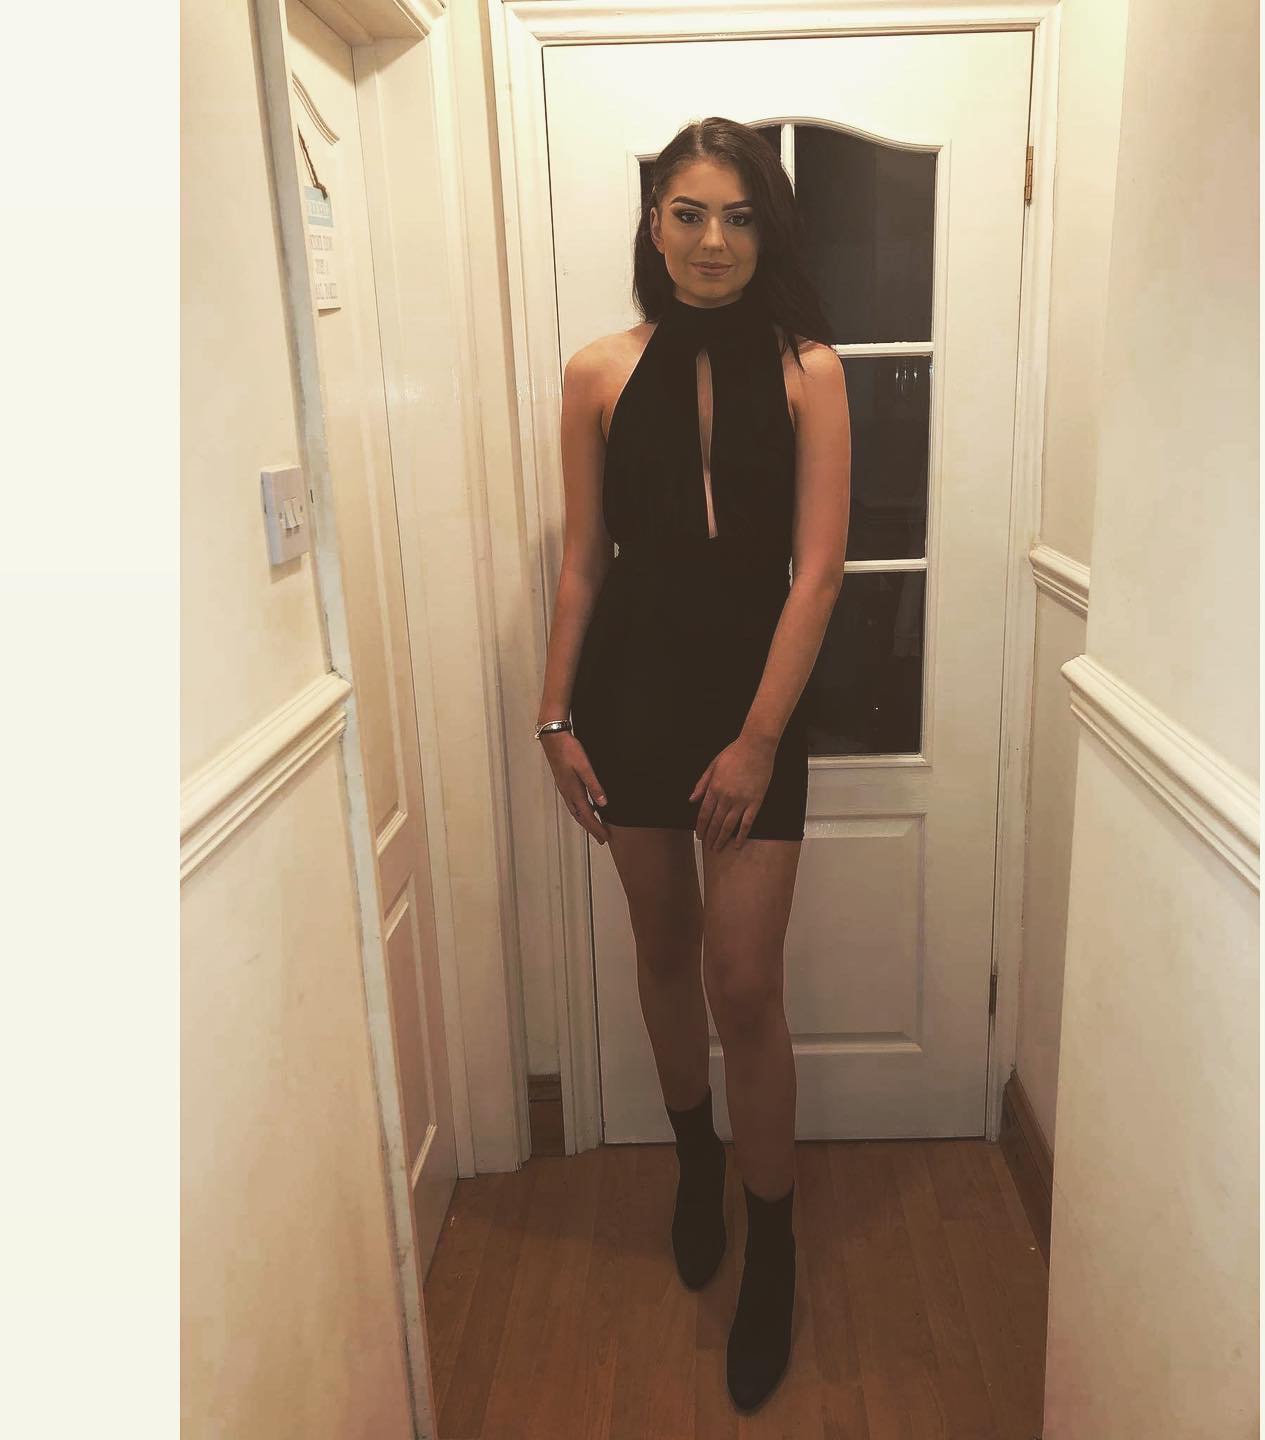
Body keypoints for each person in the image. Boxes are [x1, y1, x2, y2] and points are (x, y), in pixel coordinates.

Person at [534, 117, 851, 1413]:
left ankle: (774, 1246)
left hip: (755, 697)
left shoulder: (811, 370)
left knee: (744, 981)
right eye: (689, 213)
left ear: (766, 231)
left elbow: (819, 571)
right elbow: (582, 561)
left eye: (739, 216)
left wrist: (760, 739)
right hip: (631, 693)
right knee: (662, 947)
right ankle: (694, 1160)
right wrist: (554, 716)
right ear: (653, 223)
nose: (713, 240)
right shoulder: (595, 371)